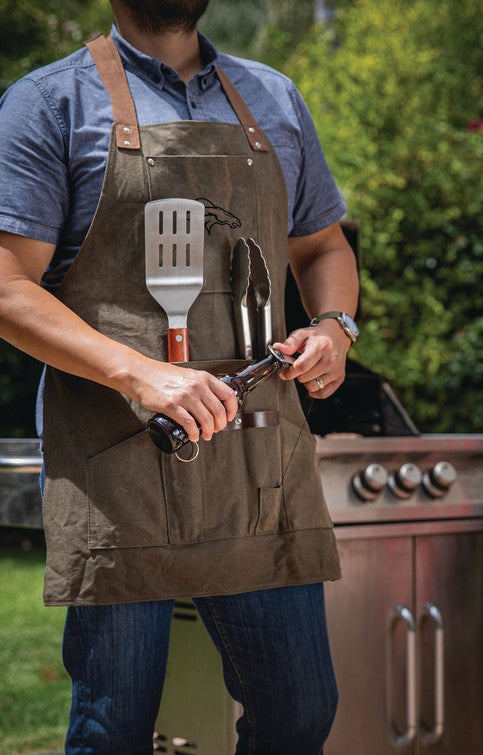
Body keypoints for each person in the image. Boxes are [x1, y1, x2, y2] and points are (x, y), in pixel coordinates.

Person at [0, 1, 360, 752]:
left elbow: (323, 246)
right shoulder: (49, 102)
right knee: (114, 728)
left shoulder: (273, 98)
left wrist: (334, 325)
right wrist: (140, 374)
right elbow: (8, 288)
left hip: (258, 461)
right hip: (118, 458)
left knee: (300, 713)